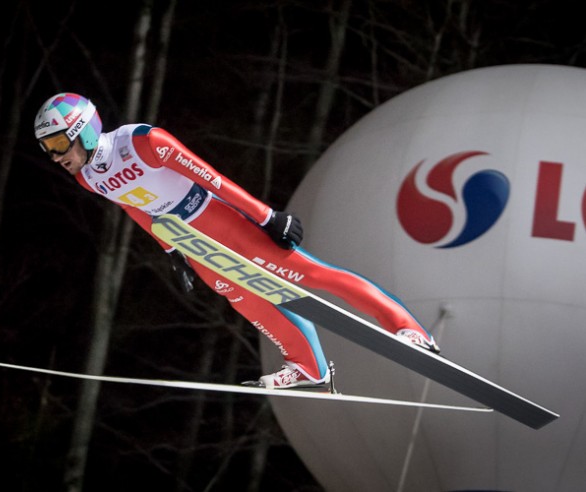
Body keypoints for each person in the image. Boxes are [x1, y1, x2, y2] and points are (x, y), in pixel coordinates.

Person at [33, 92, 440, 390]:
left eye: (58, 144)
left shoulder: (143, 142)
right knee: (242, 298)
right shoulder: (88, 177)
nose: (55, 157)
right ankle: (309, 367)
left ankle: (407, 328)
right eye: (46, 149)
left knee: (308, 275)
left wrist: (268, 217)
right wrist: (171, 249)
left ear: (84, 132)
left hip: (218, 218)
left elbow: (212, 178)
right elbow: (134, 207)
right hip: (189, 240)